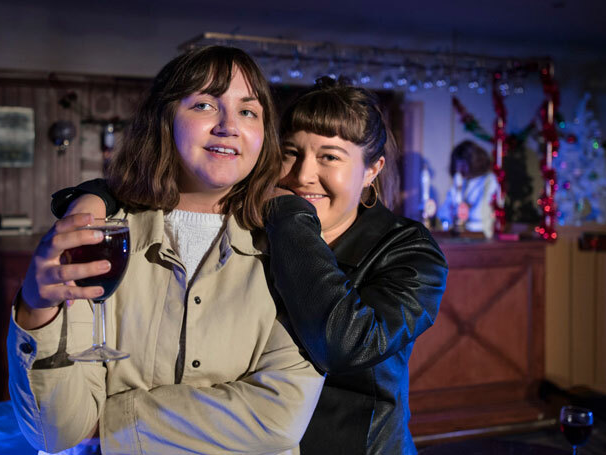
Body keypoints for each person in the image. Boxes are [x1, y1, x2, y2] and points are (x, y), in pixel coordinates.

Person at [57, 77, 448, 454]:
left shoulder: (406, 249)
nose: (302, 175)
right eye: (291, 153)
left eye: (329, 157)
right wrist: (94, 196)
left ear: (373, 170)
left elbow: (345, 344)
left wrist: (291, 213)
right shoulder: (260, 219)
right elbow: (171, 180)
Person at [7, 46, 324, 455]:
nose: (229, 126)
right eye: (206, 105)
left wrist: (116, 422)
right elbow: (58, 433)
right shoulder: (98, 236)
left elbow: (279, 418)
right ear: (166, 117)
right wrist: (36, 310)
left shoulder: (290, 247)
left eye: (248, 111)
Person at [437, 140, 500, 237]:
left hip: (480, 236)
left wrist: (463, 210)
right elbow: (443, 213)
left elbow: (480, 214)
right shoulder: (460, 182)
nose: (460, 170)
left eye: (463, 165)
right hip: (458, 236)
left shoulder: (489, 180)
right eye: (458, 165)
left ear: (476, 162)